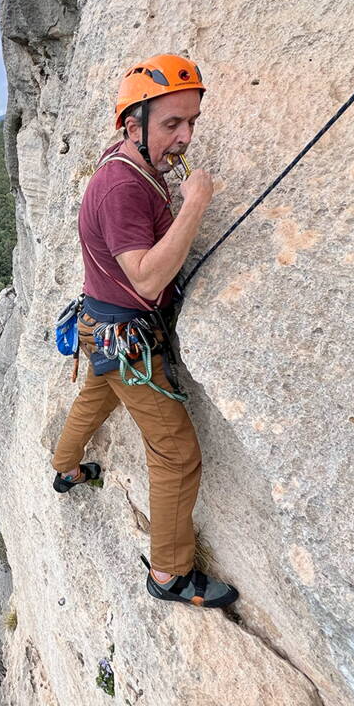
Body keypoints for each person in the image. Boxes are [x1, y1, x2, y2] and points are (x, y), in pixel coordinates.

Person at [50, 53, 238, 608]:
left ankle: (64, 469)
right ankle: (170, 574)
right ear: (134, 125)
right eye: (171, 124)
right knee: (177, 454)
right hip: (126, 339)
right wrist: (196, 204)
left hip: (98, 325)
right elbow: (149, 279)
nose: (184, 137)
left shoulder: (129, 161)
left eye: (191, 122)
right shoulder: (121, 187)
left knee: (93, 397)